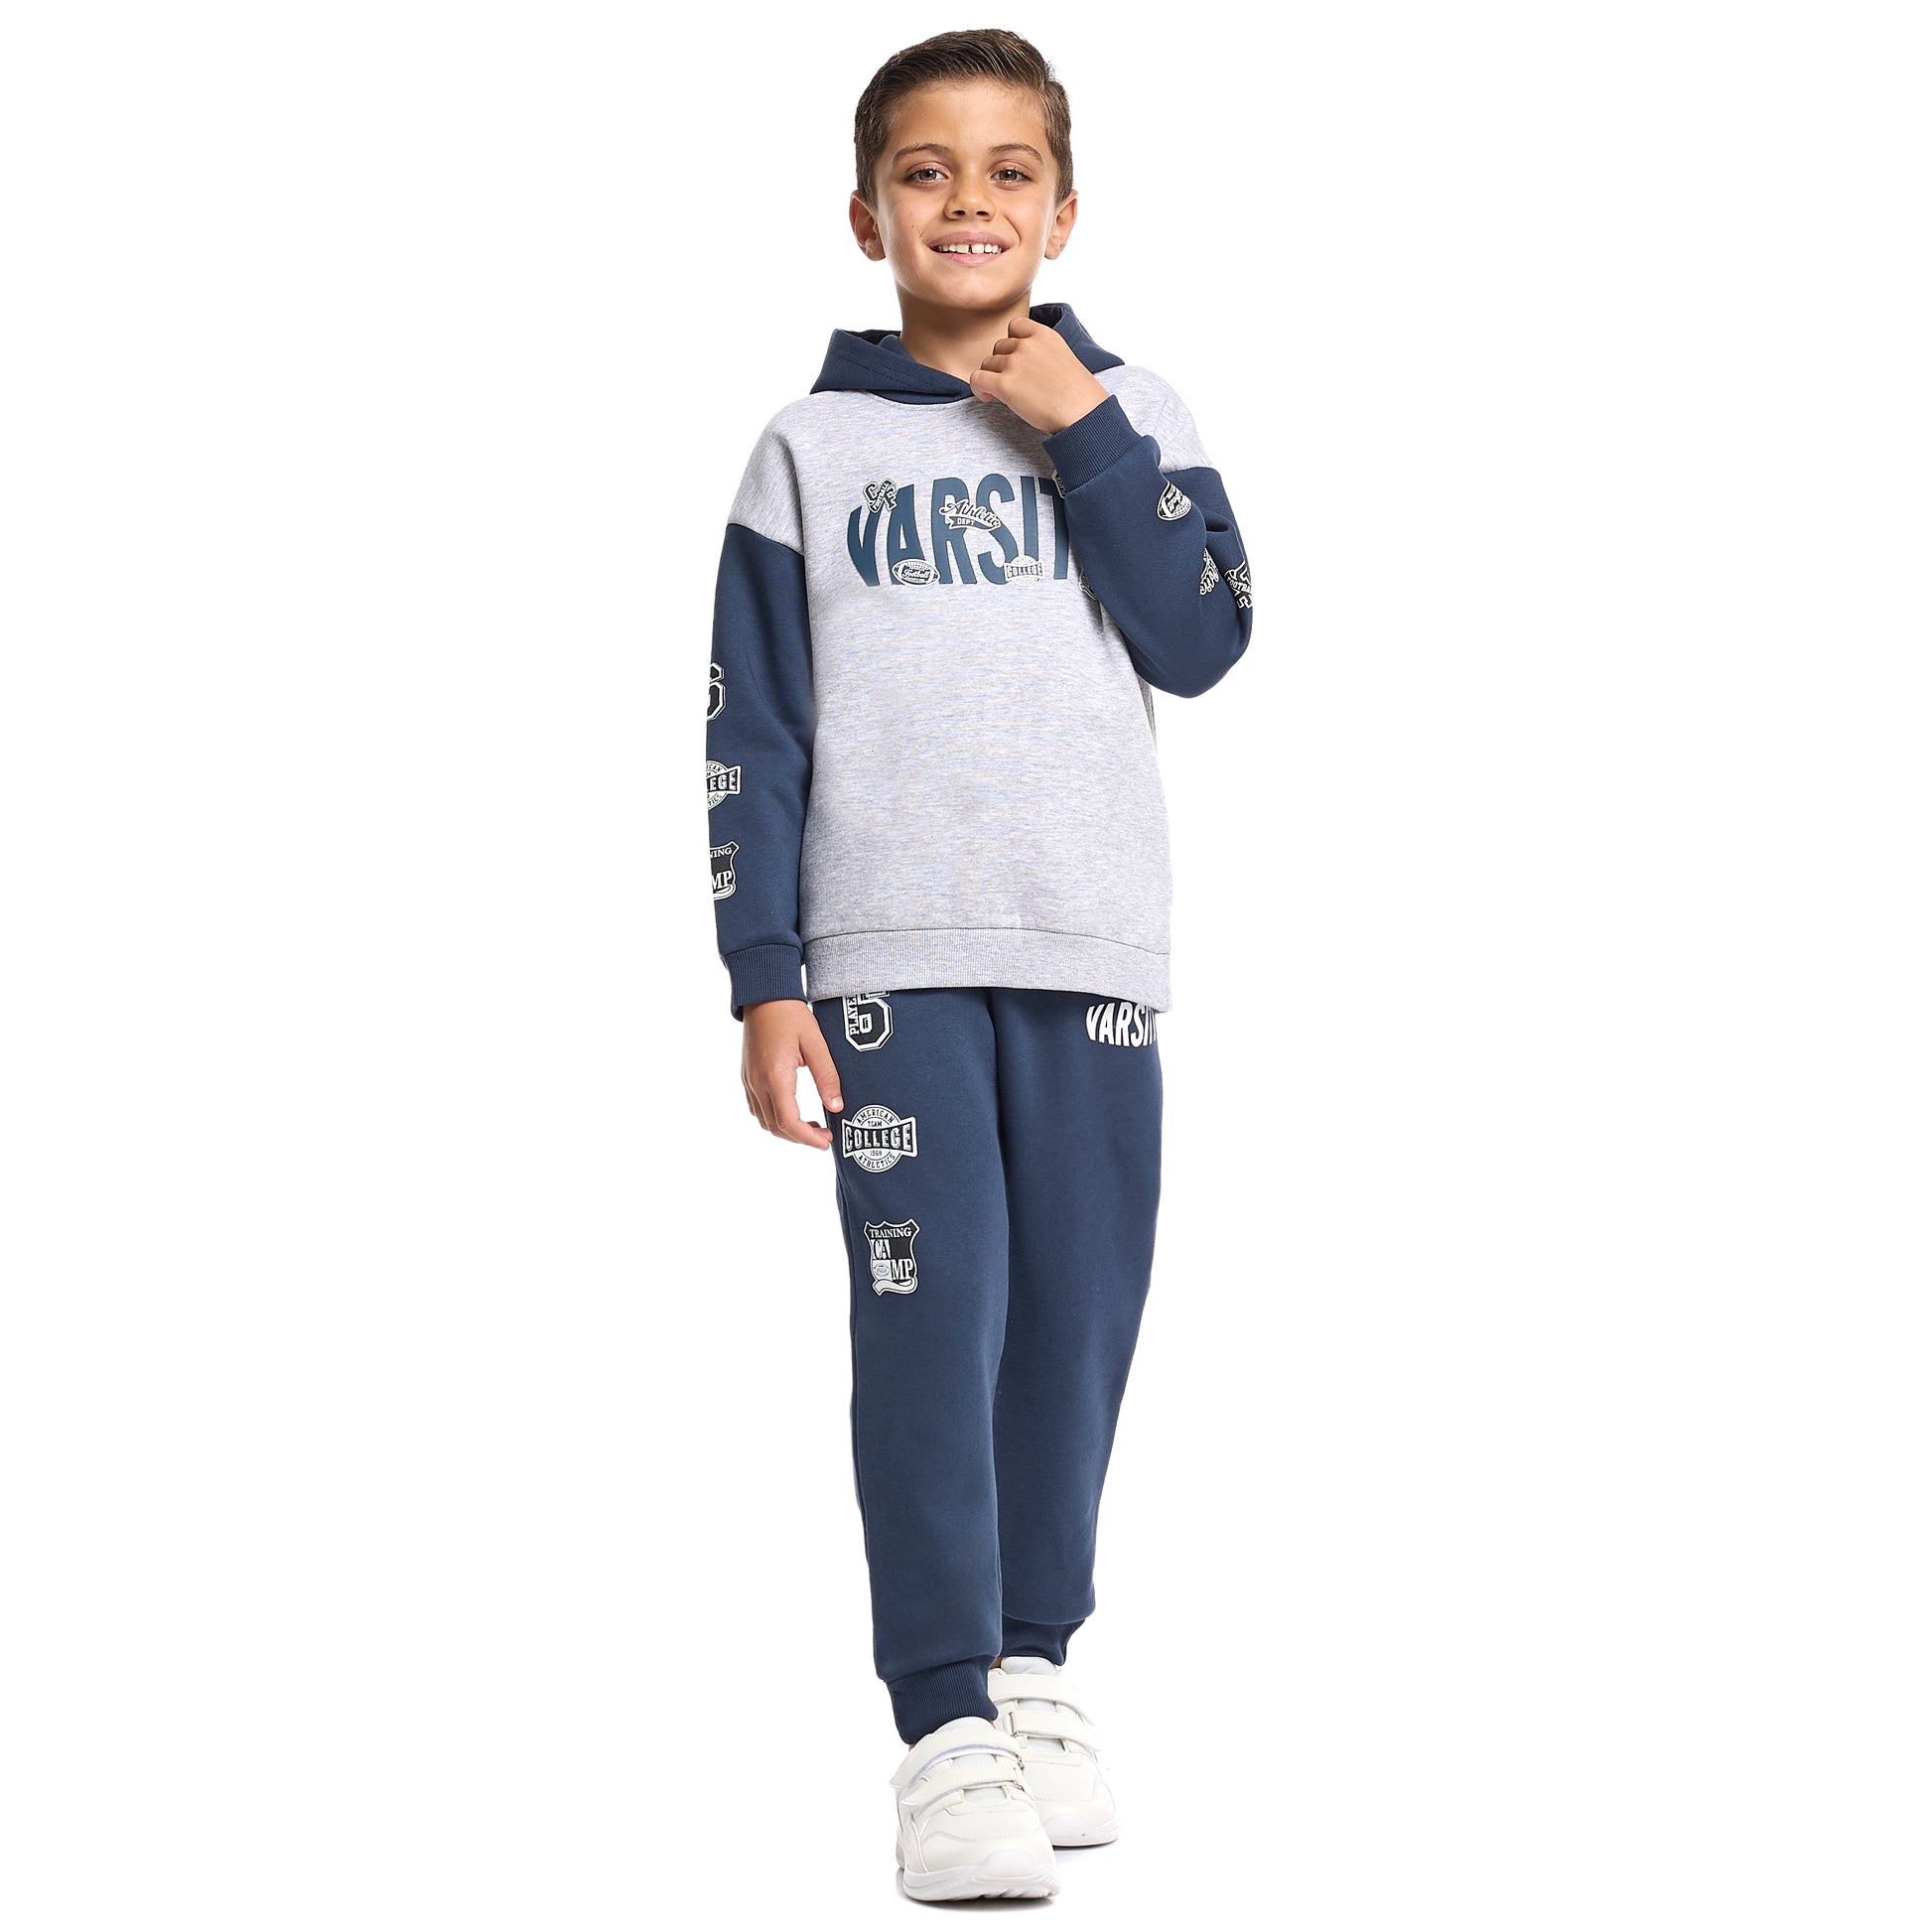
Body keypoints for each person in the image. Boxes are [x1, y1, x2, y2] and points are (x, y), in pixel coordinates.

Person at [702, 29, 1256, 1902]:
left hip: (1089, 944)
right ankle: (942, 1717)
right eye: (925, 171)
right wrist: (762, 971)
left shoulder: (1134, 409)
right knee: (933, 1322)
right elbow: (754, 729)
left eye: (1007, 169)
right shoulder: (806, 450)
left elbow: (1203, 640)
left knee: (1079, 1314)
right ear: (866, 217)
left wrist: (1077, 422)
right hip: (885, 964)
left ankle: (1034, 1665)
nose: (967, 201)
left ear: (1063, 210)